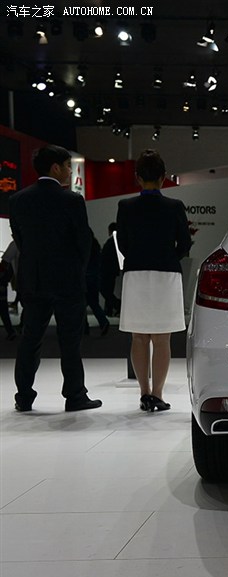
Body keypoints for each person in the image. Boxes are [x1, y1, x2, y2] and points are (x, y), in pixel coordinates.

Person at [8, 145, 102, 412]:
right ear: (56, 167)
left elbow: (20, 240)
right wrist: (77, 269)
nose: (71, 171)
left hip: (34, 280)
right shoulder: (72, 201)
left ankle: (23, 397)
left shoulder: (18, 200)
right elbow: (84, 241)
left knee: (30, 339)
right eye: (68, 166)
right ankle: (74, 396)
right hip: (67, 280)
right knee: (70, 341)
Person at [116, 149, 191, 412]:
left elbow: (122, 243)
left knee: (138, 337)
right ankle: (157, 394)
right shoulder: (174, 206)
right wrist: (168, 256)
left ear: (138, 177)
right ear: (163, 177)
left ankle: (144, 393)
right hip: (166, 274)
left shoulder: (126, 206)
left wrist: (139, 256)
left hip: (135, 273)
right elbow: (185, 244)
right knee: (162, 338)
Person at [85, 234, 110, 335]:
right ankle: (103, 321)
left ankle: (84, 327)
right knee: (94, 302)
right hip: (94, 277)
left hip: (86, 277)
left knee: (83, 303)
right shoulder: (96, 248)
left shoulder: (86, 248)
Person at [100, 222, 121, 316]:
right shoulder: (115, 242)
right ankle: (110, 309)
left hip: (108, 270)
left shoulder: (111, 242)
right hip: (111, 270)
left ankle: (117, 306)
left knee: (105, 290)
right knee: (108, 290)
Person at [0, 255, 15, 340]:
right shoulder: (4, 269)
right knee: (4, 313)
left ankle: (11, 332)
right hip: (2, 294)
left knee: (4, 313)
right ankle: (11, 332)